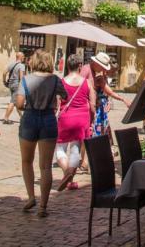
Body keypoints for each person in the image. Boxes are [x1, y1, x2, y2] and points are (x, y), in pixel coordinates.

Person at [16, 49, 67, 217]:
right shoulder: (54, 80)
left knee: (26, 161)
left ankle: (31, 196)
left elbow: (19, 103)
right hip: (48, 119)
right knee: (45, 166)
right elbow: (65, 95)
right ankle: (43, 206)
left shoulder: (26, 80)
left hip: (30, 118)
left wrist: (28, 106)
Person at [56, 54, 95, 191]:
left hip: (66, 118)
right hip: (81, 119)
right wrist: (92, 119)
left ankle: (67, 173)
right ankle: (69, 177)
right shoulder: (87, 82)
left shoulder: (62, 82)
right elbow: (92, 105)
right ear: (80, 66)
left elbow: (57, 103)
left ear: (67, 66)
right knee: (75, 149)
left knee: (60, 148)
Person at [82, 52, 131, 137]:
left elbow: (107, 93)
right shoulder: (88, 70)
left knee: (97, 132)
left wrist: (108, 101)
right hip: (91, 108)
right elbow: (109, 92)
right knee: (91, 134)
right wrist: (123, 99)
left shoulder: (99, 75)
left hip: (98, 107)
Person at [3, 51, 26, 124]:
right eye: (23, 57)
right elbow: (21, 77)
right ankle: (6, 118)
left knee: (16, 101)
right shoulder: (21, 66)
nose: (24, 58)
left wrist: (4, 81)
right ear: (20, 57)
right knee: (13, 101)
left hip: (10, 84)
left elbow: (4, 73)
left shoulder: (11, 64)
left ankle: (22, 118)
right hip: (17, 85)